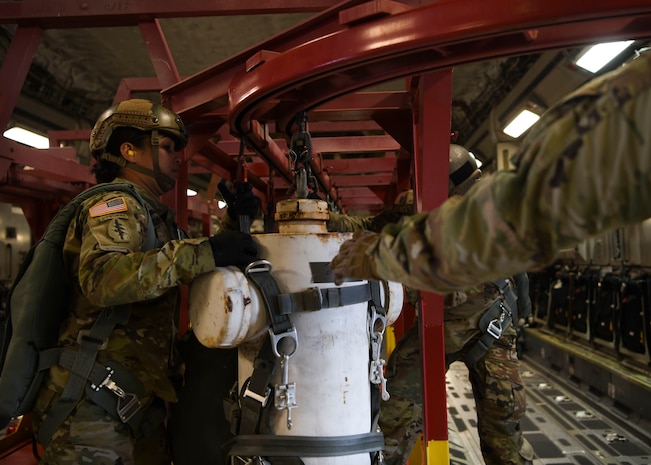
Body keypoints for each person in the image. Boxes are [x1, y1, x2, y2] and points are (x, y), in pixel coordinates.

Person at [31, 98, 258, 465]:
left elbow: (176, 263)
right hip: (93, 410)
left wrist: (234, 223)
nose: (177, 156)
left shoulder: (152, 215)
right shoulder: (114, 206)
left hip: (134, 402)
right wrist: (210, 251)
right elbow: (104, 280)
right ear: (129, 150)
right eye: (167, 146)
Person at [330, 49, 651, 293]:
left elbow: (517, 220)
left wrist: (379, 257)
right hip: (479, 315)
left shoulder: (635, 105)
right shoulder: (424, 204)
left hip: (479, 314)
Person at [327, 146, 534, 465]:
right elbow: (369, 224)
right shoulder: (421, 204)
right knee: (394, 414)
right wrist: (326, 219)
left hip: (489, 329)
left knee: (504, 426)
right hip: (440, 327)